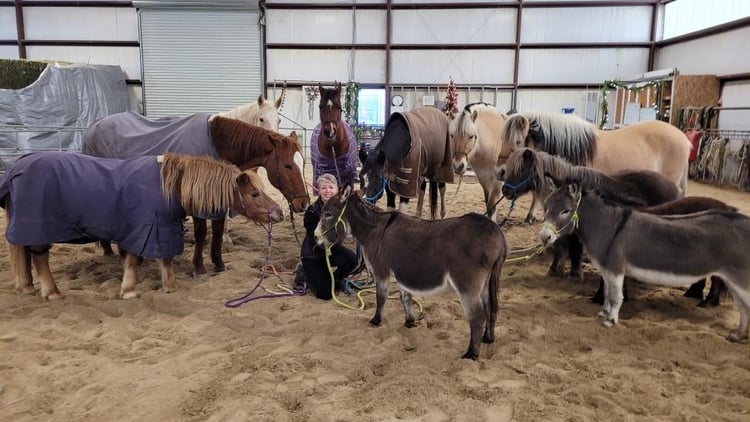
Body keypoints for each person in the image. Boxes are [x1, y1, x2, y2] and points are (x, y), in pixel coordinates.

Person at [300, 173, 358, 300]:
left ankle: (334, 279)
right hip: (314, 253)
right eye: (323, 188)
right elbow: (314, 239)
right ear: (318, 191)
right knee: (325, 294)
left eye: (331, 187)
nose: (327, 191)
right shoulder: (312, 211)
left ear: (337, 189)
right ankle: (303, 274)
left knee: (352, 260)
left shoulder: (341, 208)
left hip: (332, 249)